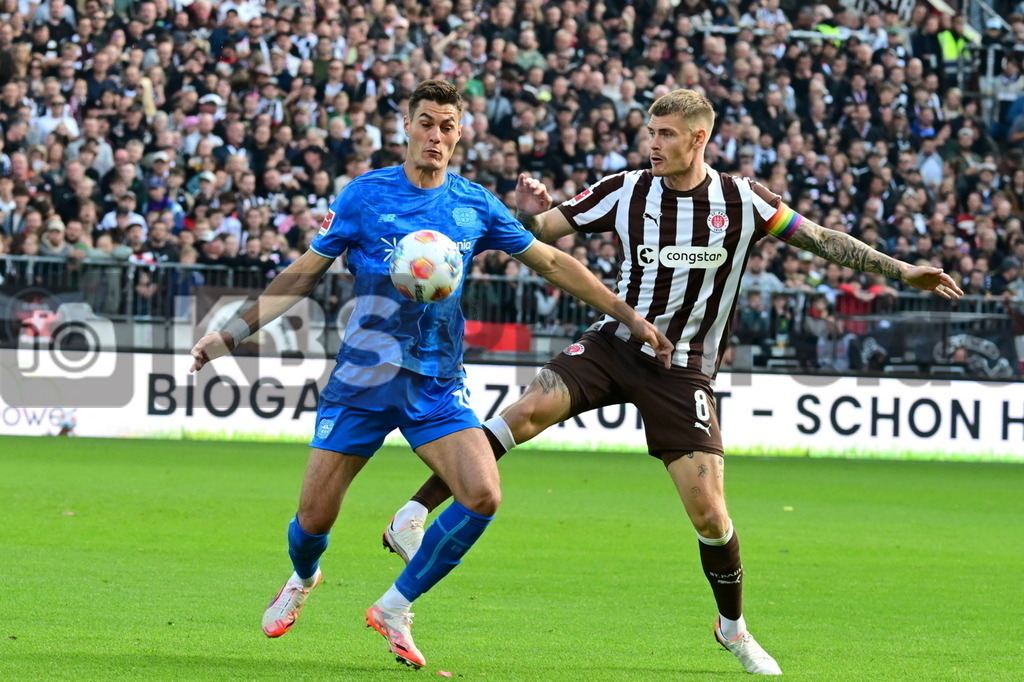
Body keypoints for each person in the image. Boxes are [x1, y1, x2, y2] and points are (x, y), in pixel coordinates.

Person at [381, 89, 964, 676]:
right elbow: (537, 234)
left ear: (698, 138)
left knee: (710, 516)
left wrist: (901, 270)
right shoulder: (625, 189)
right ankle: (412, 514)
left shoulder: (744, 200)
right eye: (650, 133)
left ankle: (732, 628)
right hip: (613, 344)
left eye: (665, 134)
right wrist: (524, 211)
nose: (653, 144)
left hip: (683, 371)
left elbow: (821, 239)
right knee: (525, 412)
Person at [188, 80, 671, 670]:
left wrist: (629, 316)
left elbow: (549, 261)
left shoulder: (474, 204)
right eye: (426, 123)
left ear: (459, 134)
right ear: (407, 127)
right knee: (314, 519)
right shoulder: (365, 195)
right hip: (363, 380)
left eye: (447, 126)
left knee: (482, 495)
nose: (435, 136)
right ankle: (303, 576)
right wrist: (231, 334)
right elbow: (303, 273)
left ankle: (394, 606)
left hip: (436, 383)